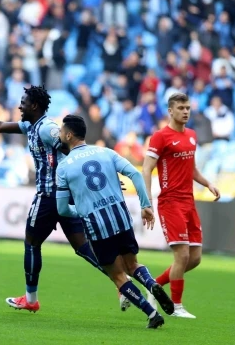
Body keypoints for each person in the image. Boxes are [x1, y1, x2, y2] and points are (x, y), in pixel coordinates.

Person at [0, 85, 130, 312]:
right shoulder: (32, 125)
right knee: (83, 248)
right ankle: (122, 282)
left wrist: (104, 176)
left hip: (49, 196)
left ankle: (30, 300)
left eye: (23, 102)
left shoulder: (46, 129)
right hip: (65, 196)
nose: (19, 105)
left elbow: (74, 149)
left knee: (31, 243)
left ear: (34, 106)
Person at [56, 114, 174, 329]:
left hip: (96, 225)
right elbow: (136, 175)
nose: (59, 134)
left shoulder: (63, 167)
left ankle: (152, 314)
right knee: (133, 264)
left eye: (61, 131)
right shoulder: (106, 152)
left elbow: (62, 209)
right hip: (121, 217)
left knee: (118, 275)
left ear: (69, 134)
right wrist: (146, 205)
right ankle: (151, 283)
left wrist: (81, 211)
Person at [142, 92, 221, 318]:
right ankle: (176, 307)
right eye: (181, 108)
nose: (186, 111)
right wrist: (146, 201)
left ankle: (154, 286)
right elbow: (147, 168)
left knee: (195, 258)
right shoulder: (160, 137)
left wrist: (208, 183)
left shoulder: (192, 136)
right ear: (170, 111)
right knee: (183, 255)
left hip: (189, 202)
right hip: (170, 202)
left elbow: (192, 168)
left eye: (187, 108)